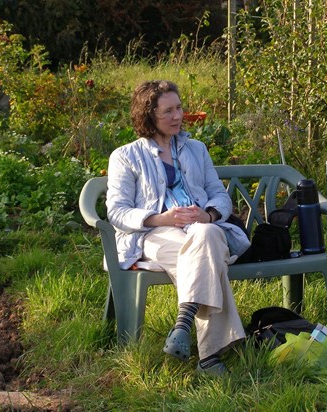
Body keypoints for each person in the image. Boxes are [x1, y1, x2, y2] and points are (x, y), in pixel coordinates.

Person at [105, 80, 250, 375]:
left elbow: (219, 194)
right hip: (154, 235)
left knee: (206, 236)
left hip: (203, 229)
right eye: (167, 111)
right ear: (148, 116)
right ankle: (209, 357)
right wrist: (162, 219)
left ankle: (183, 324)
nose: (177, 116)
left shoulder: (196, 149)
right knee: (208, 254)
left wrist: (208, 215)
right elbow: (117, 212)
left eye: (179, 108)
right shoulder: (125, 156)